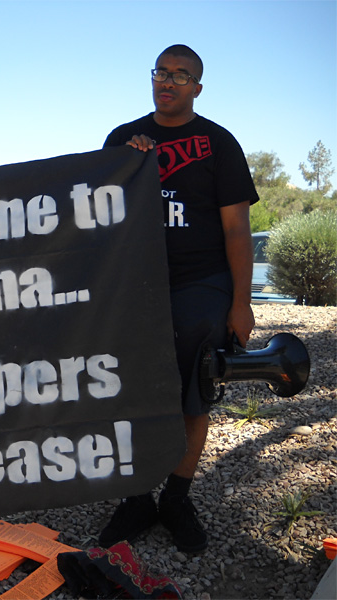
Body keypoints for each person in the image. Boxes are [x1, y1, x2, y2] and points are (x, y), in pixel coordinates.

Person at [97, 45, 258, 553]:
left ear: (197, 87)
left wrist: (240, 302)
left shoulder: (218, 143)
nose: (168, 82)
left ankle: (177, 498)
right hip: (138, 284)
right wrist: (129, 164)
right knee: (131, 392)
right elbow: (100, 213)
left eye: (181, 75)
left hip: (201, 282)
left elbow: (237, 230)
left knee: (195, 389)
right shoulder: (123, 139)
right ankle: (136, 497)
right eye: (161, 73)